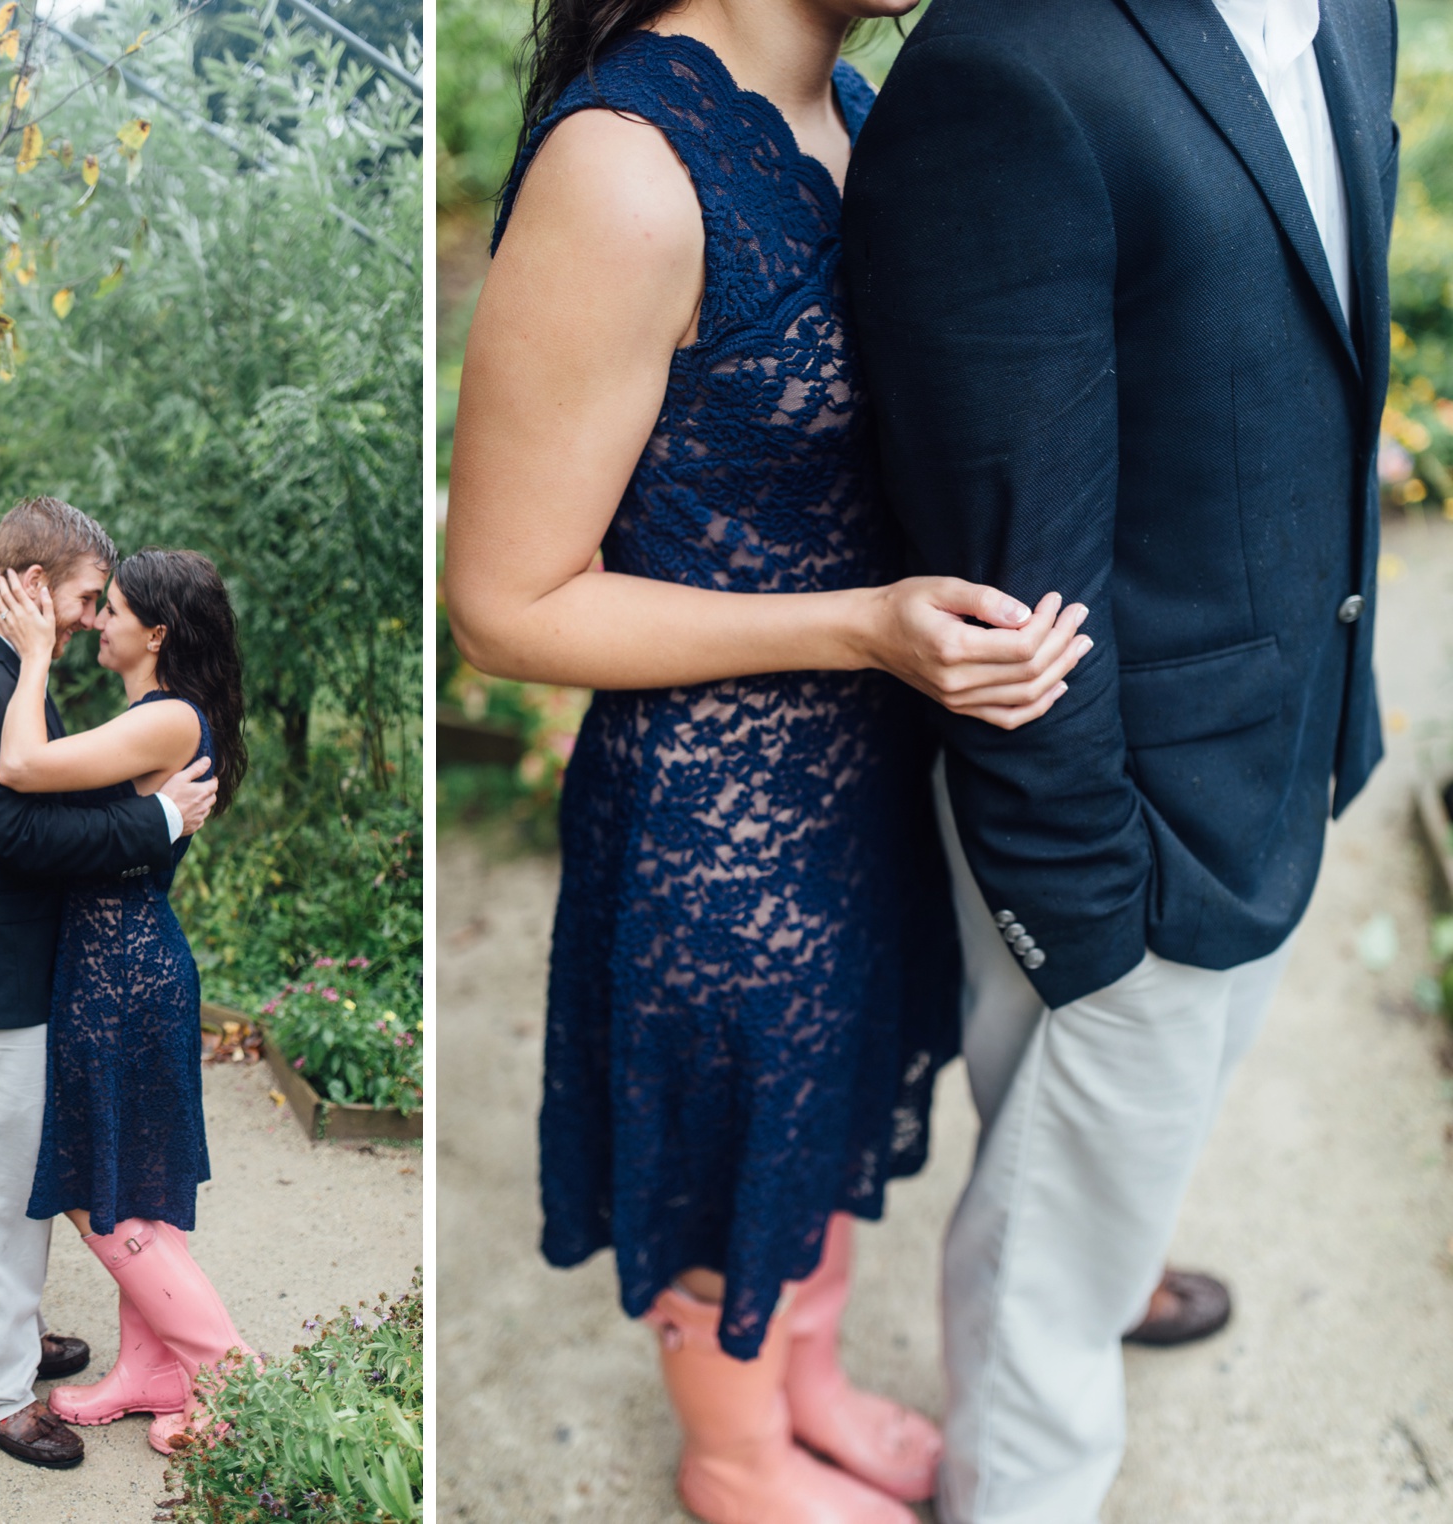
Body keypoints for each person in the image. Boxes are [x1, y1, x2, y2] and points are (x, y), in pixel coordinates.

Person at [440, 0, 1095, 1517]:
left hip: (868, 769)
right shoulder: (626, 170)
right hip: (714, 804)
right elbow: (505, 602)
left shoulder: (853, 106)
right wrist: (864, 628)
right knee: (739, 1132)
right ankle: (732, 1462)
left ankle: (805, 1386)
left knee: (824, 1104)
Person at [840, 0, 1397, 1517]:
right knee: (1050, 1249)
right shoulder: (1009, 68)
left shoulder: (1353, 11)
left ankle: (1115, 1267)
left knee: (1120, 1166)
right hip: (1124, 812)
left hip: (1284, 740)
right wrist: (1087, 900)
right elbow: (1005, 557)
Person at [0, 498, 217, 1469]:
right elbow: (18, 836)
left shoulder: (2, 670)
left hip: (21, 970)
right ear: (32, 587)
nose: (91, 617)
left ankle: (12, 1339)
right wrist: (157, 824)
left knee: (17, 1180)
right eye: (86, 596)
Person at [0, 547, 256, 1456]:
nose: (97, 621)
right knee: (134, 1185)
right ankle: (152, 1374)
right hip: (121, 964)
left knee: (105, 1202)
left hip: (123, 976)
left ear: (157, 633)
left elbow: (21, 765)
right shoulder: (157, 714)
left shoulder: (169, 718)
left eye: (115, 610)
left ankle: (229, 1375)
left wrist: (30, 657)